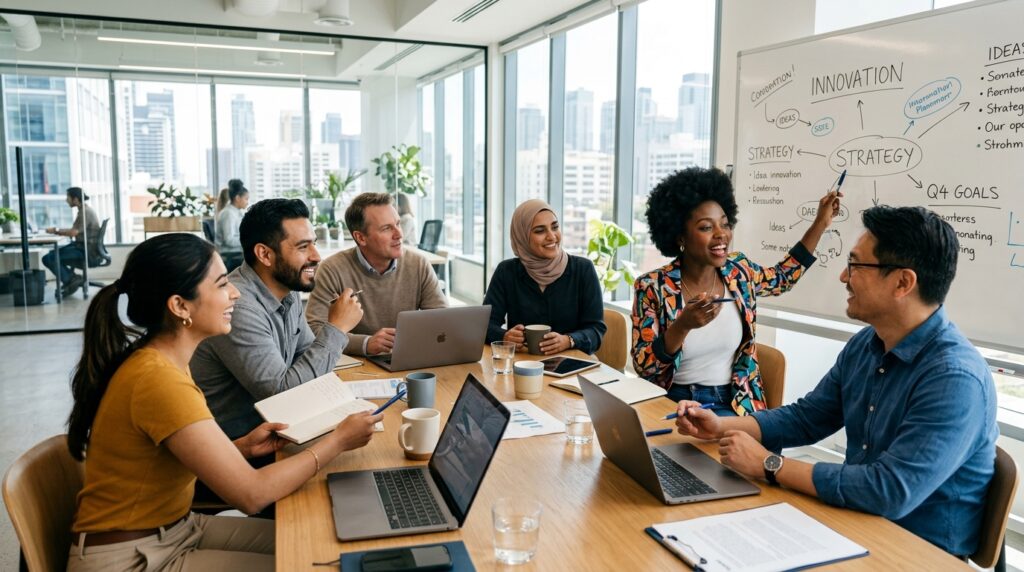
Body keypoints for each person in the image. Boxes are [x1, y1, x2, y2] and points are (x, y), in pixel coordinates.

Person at [674, 206, 996, 557]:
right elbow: (808, 417)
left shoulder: (954, 378)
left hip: (915, 552)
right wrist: (721, 425)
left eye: (856, 265)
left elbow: (887, 491)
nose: (844, 276)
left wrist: (770, 464)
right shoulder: (867, 344)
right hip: (855, 526)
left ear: (903, 282)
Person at [66, 233, 380, 571]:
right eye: (220, 284)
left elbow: (160, 456)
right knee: (312, 563)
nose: (235, 292)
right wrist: (338, 441)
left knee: (313, 544)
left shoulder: (162, 360)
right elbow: (251, 496)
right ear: (180, 306)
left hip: (176, 528)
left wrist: (240, 448)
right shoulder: (158, 379)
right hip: (132, 558)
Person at [632, 167, 841, 414]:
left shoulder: (739, 272)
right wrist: (682, 326)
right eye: (706, 227)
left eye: (725, 224)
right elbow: (644, 366)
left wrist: (820, 223)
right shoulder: (653, 286)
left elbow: (783, 278)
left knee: (734, 450)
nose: (722, 235)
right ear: (680, 236)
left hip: (732, 401)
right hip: (671, 399)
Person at [192, 198, 363, 441]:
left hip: (278, 428)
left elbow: (306, 354)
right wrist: (336, 327)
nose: (317, 256)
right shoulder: (238, 306)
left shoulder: (287, 290)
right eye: (303, 247)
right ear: (264, 254)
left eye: (313, 244)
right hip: (237, 445)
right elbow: (282, 394)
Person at [306, 192, 447, 356]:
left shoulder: (418, 264)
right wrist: (365, 344)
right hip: (357, 364)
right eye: (386, 228)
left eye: (398, 224)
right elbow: (314, 328)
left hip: (406, 358)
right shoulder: (332, 269)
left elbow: (442, 321)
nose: (399, 234)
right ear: (361, 237)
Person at [484, 199, 606, 355]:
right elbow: (485, 325)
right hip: (522, 365)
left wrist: (569, 340)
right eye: (540, 230)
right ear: (522, 237)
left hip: (573, 365)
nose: (551, 236)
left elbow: (596, 329)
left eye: (555, 227)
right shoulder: (507, 271)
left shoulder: (583, 269)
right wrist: (505, 336)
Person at [43, 186, 100, 298]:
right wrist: (58, 231)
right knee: (50, 256)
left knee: (49, 258)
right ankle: (71, 278)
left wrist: (56, 230)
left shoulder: (85, 212)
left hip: (86, 251)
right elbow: (74, 231)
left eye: (68, 197)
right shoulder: (83, 211)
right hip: (82, 247)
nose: (66, 200)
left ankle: (71, 279)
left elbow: (73, 232)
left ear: (75, 199)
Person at [216, 179, 248, 272]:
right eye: (246, 199)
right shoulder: (228, 214)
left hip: (235, 252)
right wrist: (248, 240)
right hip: (230, 255)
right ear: (238, 198)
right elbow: (229, 240)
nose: (247, 202)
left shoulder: (236, 212)